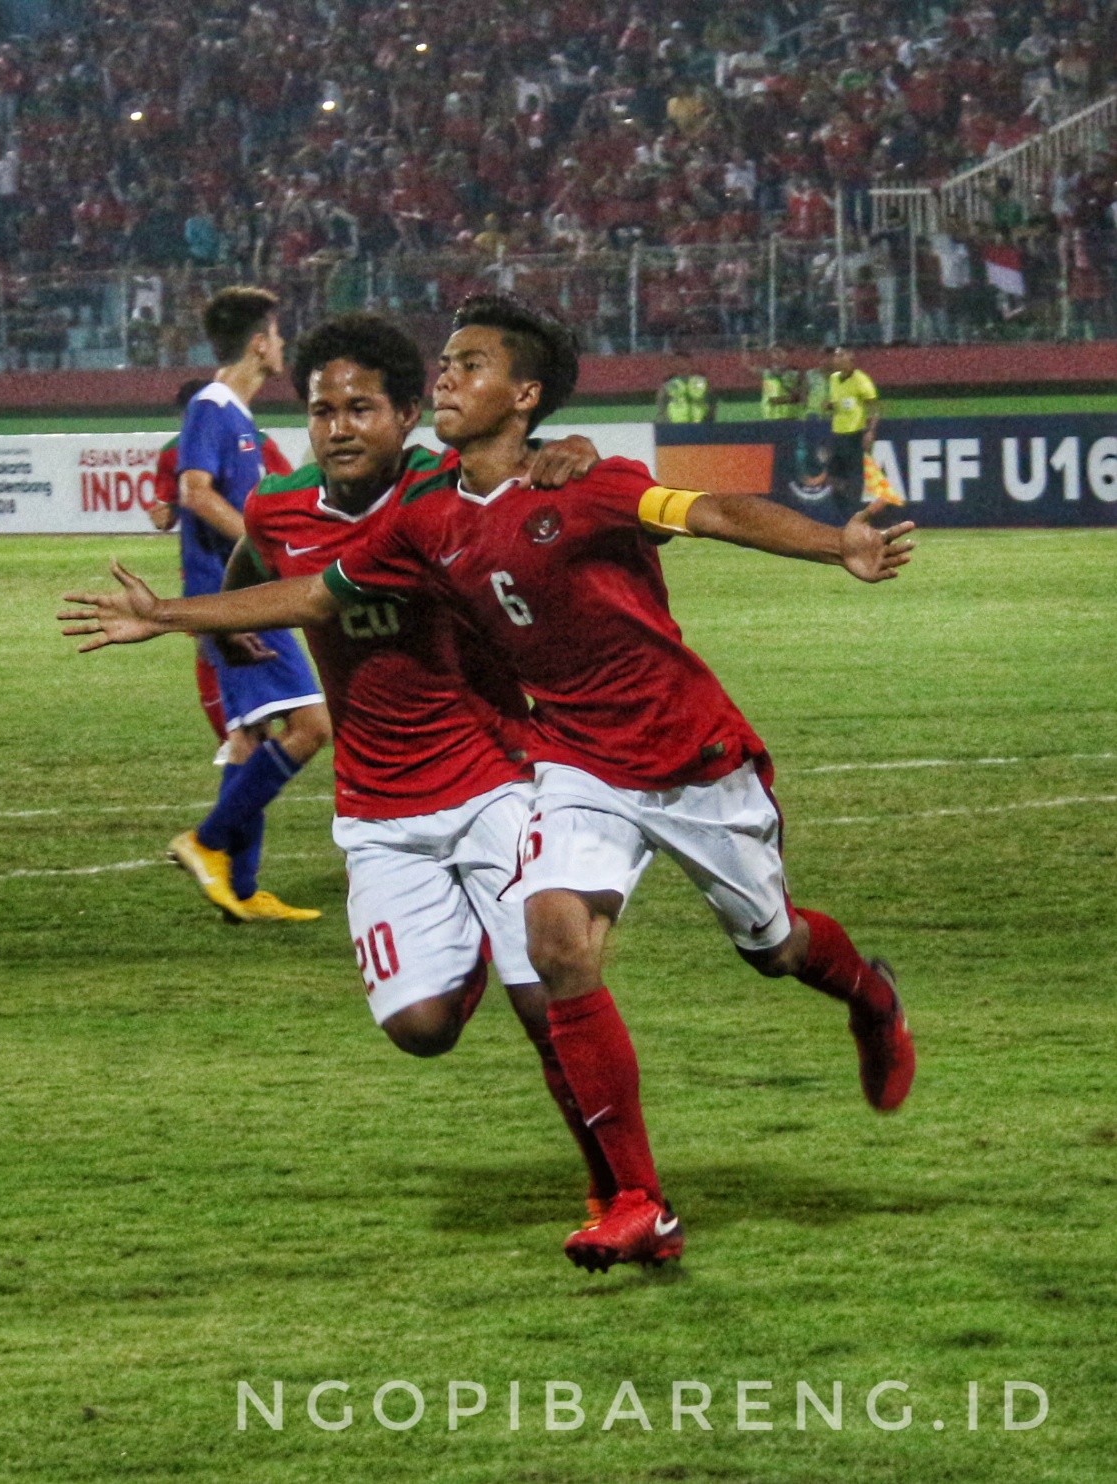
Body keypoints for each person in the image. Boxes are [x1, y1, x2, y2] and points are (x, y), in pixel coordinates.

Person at [61, 295, 917, 1273]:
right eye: (444, 365)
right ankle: (637, 1200)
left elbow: (713, 509)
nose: (443, 380)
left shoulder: (585, 483)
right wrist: (176, 613)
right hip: (566, 764)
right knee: (552, 952)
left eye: (464, 366)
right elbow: (311, 590)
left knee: (772, 946)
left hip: (688, 757)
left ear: (521, 395)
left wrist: (833, 542)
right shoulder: (423, 519)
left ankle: (866, 994)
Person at [204, 312, 627, 1220]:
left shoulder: (451, 480)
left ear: (407, 416)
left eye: (362, 408)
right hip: (378, 810)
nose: (338, 427)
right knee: (420, 1031)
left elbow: (543, 458)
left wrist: (572, 449)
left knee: (545, 1005)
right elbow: (250, 557)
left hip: (494, 784)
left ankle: (617, 1190)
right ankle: (467, 951)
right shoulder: (281, 507)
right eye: (321, 411)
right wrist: (238, 623)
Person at [166, 286, 329, 924]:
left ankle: (241, 888)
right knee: (313, 728)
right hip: (238, 601)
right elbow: (195, 493)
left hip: (244, 596)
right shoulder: (212, 406)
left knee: (250, 738)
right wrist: (264, 544)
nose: (283, 344)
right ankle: (206, 842)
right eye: (279, 333)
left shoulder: (237, 417)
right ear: (259, 343)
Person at [149, 378, 228, 743]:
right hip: (205, 565)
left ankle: (243, 735)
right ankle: (232, 739)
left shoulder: (252, 440)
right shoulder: (171, 453)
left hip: (244, 560)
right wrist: (162, 514)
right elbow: (167, 517)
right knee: (212, 646)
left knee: (242, 646)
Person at [825, 345, 879, 502]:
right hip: (837, 433)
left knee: (855, 476)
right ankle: (845, 502)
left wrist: (870, 432)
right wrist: (830, 406)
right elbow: (839, 403)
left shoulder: (861, 380)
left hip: (854, 434)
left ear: (850, 357)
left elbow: (875, 408)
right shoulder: (833, 378)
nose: (837, 359)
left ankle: (854, 513)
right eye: (836, 356)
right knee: (832, 477)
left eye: (841, 355)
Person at [654, 350, 716, 423]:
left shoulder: (702, 381)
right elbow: (661, 404)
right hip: (675, 425)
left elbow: (712, 402)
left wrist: (709, 420)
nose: (680, 365)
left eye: (683, 362)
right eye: (677, 362)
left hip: (700, 425)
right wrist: (665, 422)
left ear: (690, 363)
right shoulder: (668, 384)